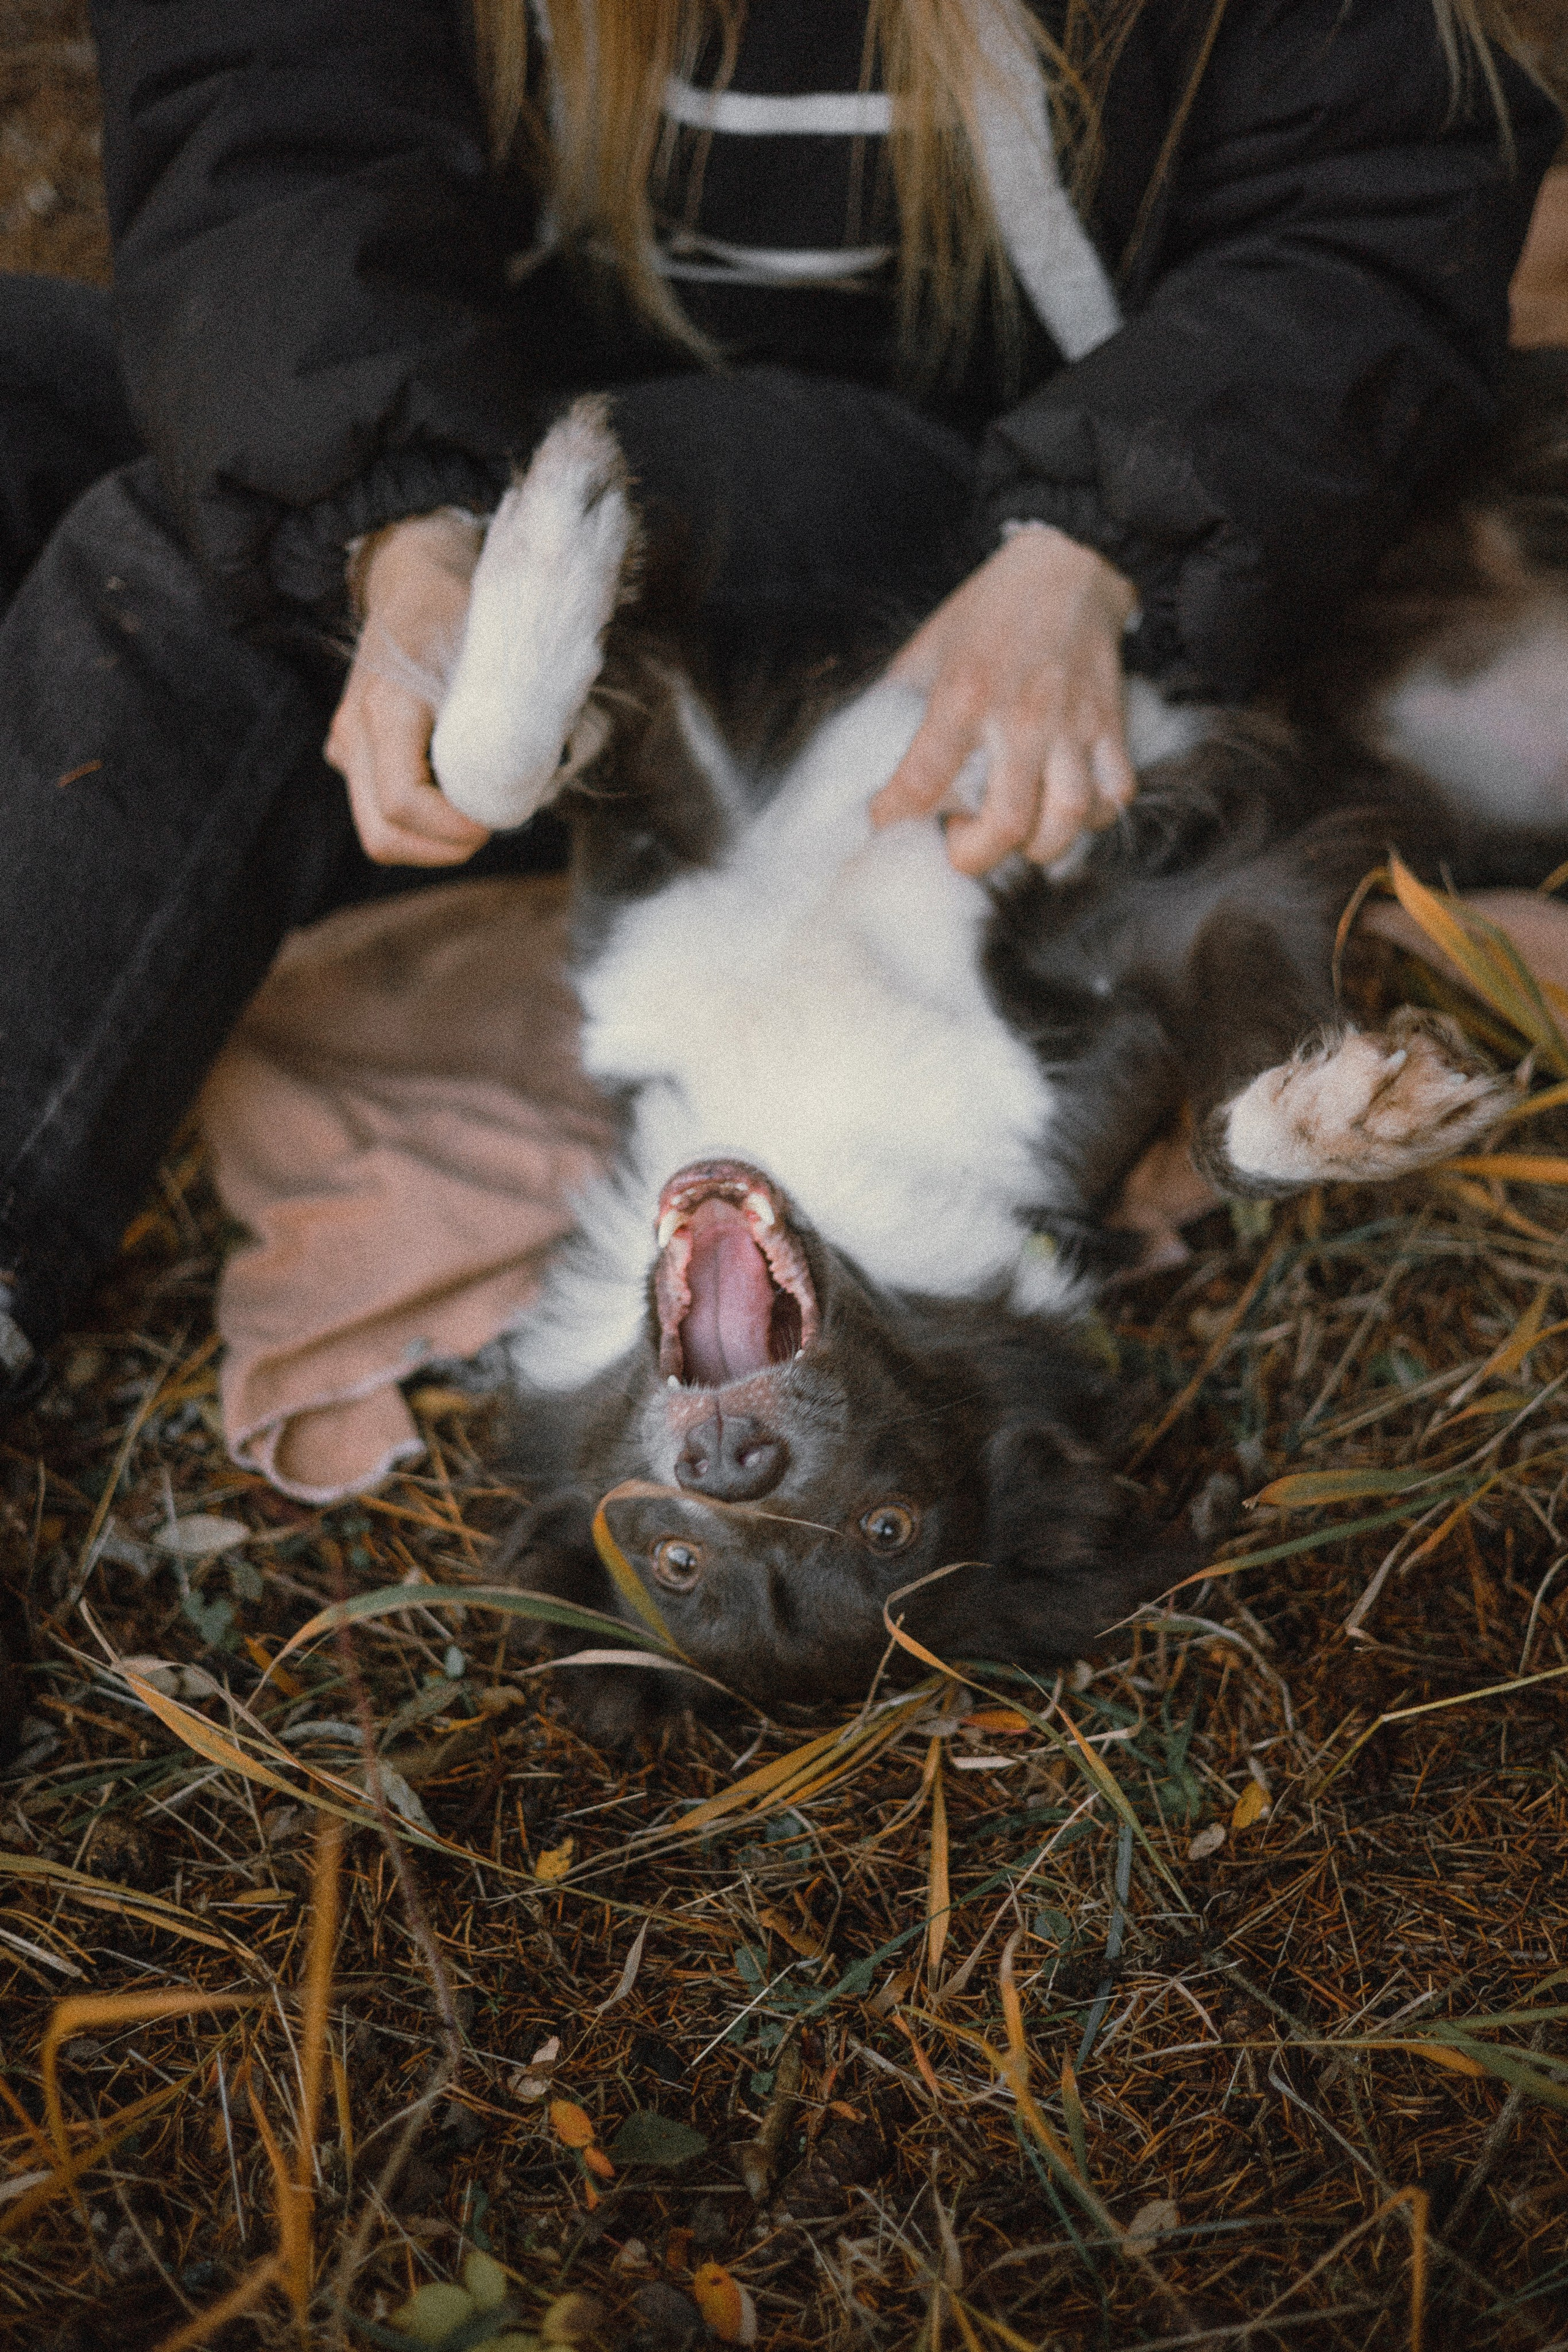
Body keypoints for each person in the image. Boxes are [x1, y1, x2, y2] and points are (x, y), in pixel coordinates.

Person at [0, 0, 1560, 1406]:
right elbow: (257, 102)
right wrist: (388, 517)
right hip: (486, 372)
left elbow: (1377, 183)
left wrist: (1101, 544)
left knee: (166, 576)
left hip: (980, 475)